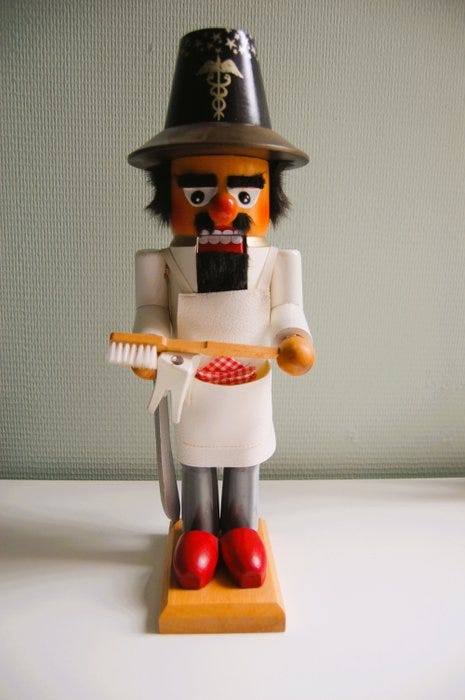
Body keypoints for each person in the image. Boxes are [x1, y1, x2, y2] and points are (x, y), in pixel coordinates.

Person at [127, 28, 314, 589]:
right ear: (169, 193)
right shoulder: (162, 261)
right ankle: (201, 530)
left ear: (270, 193)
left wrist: (294, 338)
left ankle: (240, 528)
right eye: (199, 193)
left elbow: (286, 309)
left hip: (250, 382)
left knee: (244, 455)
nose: (225, 206)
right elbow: (153, 311)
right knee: (198, 456)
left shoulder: (278, 260)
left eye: (245, 192)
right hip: (192, 383)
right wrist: (151, 341)